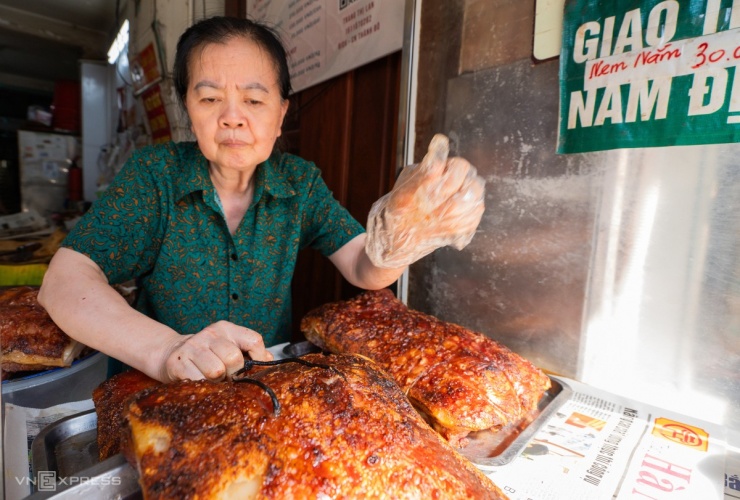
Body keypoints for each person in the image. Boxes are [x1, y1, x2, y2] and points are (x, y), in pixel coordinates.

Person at [38, 16, 484, 384]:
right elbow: (65, 281)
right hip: (159, 390)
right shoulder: (155, 176)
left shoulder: (299, 183)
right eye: (210, 97)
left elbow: (364, 269)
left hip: (263, 387)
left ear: (280, 115)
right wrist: (168, 350)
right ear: (187, 110)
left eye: (253, 99)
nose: (232, 118)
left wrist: (403, 236)